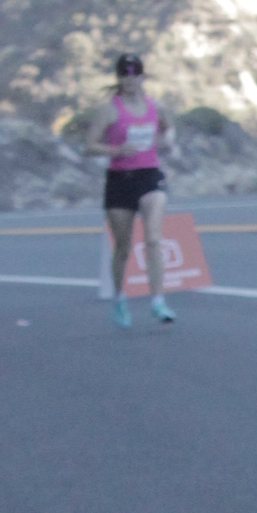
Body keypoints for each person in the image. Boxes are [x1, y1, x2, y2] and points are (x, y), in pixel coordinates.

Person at [94, 54, 174, 328]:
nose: (129, 78)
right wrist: (116, 150)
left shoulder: (156, 106)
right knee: (122, 247)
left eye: (135, 72)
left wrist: (167, 140)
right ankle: (119, 298)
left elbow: (168, 129)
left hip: (149, 175)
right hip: (120, 180)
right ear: (118, 77)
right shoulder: (109, 110)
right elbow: (89, 146)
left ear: (142, 76)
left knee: (153, 239)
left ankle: (158, 302)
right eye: (124, 73)